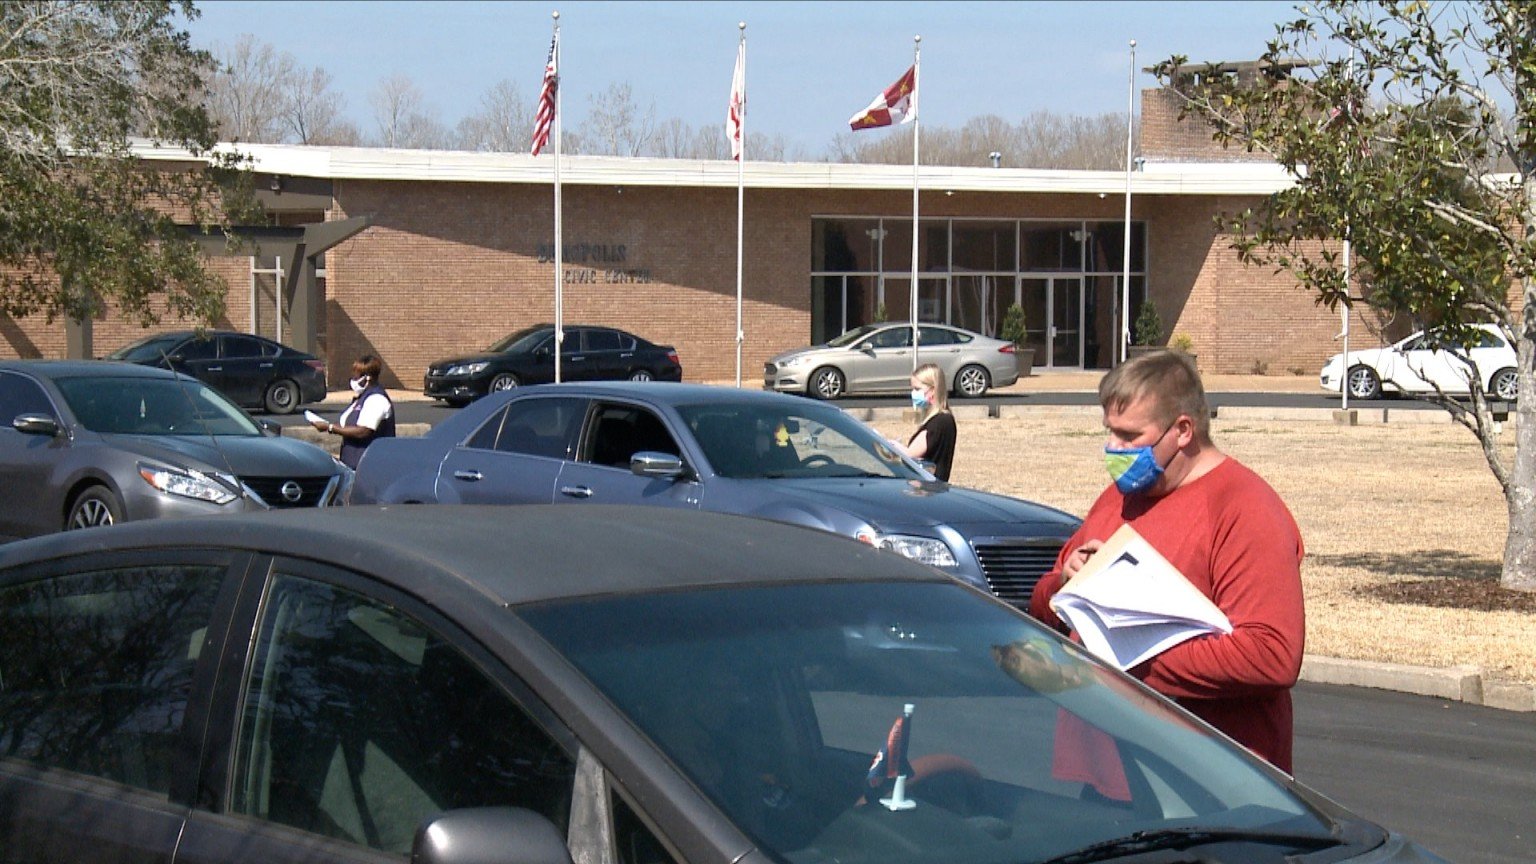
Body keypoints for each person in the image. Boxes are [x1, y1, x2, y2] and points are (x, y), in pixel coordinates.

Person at [1027, 350, 1305, 772]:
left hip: (1205, 783)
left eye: (1129, 436)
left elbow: (1271, 655)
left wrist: (1123, 660)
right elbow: (1045, 605)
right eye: (1109, 432)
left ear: (1182, 430)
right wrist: (1061, 586)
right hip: (1103, 780)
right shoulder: (1118, 500)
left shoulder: (1244, 508)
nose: (1112, 449)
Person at [312, 354, 395, 469]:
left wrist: (330, 428)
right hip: (352, 465)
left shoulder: (377, 399)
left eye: (356, 378)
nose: (353, 381)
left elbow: (363, 431)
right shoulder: (361, 398)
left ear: (367, 378)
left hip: (370, 466)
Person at [901, 363, 957, 481]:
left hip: (929, 490)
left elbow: (910, 455)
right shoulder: (940, 419)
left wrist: (892, 447)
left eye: (917, 389)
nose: (913, 394)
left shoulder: (939, 421)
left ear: (933, 390)